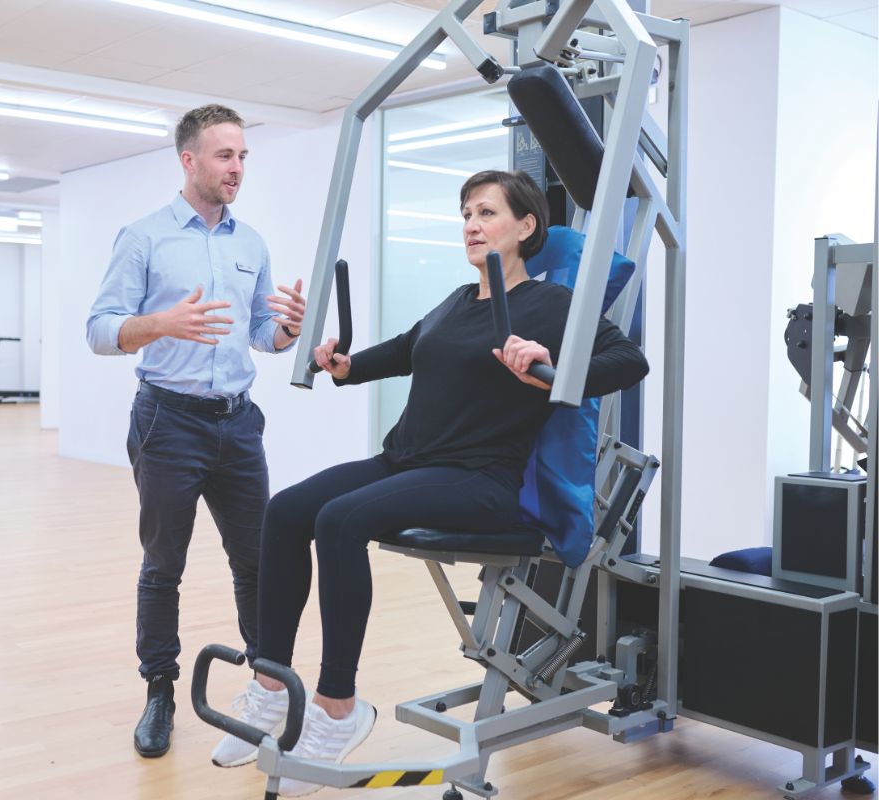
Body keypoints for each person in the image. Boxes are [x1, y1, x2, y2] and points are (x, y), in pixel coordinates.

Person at [214, 170, 650, 796]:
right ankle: (271, 687)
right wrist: (343, 365)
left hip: (481, 478)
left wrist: (550, 368)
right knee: (285, 511)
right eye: (466, 212)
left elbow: (631, 361)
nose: (471, 224)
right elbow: (401, 351)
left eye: (487, 213)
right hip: (408, 461)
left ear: (526, 229)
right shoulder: (455, 300)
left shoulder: (553, 306)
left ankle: (339, 706)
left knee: (340, 520)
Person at [86, 104, 307, 760]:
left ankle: (267, 687)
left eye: (242, 156)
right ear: (190, 161)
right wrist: (160, 323)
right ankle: (160, 691)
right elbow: (100, 330)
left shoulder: (252, 244)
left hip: (238, 423)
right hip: (168, 422)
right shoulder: (146, 236)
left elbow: (263, 337)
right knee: (164, 566)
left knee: (258, 560)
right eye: (223, 156)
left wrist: (288, 330)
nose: (236, 168)